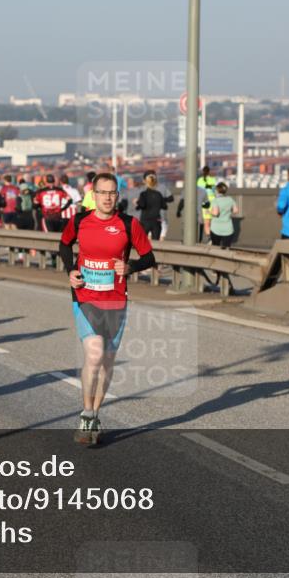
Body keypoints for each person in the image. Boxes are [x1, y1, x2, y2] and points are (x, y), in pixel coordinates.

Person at [59, 173, 156, 445]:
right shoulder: (80, 221)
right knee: (94, 354)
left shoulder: (128, 224)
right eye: (102, 192)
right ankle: (86, 412)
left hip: (115, 299)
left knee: (107, 362)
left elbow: (149, 257)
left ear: (118, 195)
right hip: (85, 296)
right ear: (94, 194)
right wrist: (70, 270)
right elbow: (64, 245)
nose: (108, 198)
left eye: (112, 193)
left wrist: (131, 267)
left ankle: (95, 412)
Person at [135, 173, 167, 241]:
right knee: (156, 242)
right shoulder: (159, 194)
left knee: (142, 241)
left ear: (146, 183)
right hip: (156, 221)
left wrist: (137, 202)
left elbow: (142, 205)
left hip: (145, 221)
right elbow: (165, 206)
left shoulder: (143, 194)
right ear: (155, 183)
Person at [209, 182, 238, 249]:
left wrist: (210, 212)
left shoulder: (215, 200)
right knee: (226, 248)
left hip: (216, 229)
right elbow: (235, 211)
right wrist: (227, 211)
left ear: (217, 191)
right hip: (228, 229)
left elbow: (216, 213)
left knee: (216, 248)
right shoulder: (230, 199)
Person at [197, 166, 217, 240]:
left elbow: (199, 191)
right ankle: (212, 237)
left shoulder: (199, 180)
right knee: (212, 222)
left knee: (206, 223)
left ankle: (209, 238)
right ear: (209, 172)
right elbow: (214, 191)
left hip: (205, 203)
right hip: (213, 202)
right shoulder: (213, 180)